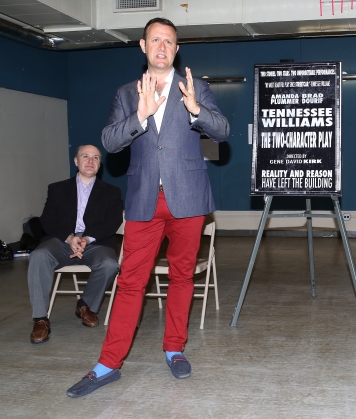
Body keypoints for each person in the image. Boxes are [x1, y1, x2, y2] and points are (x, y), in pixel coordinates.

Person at [66, 17, 229, 397]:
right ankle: (108, 364)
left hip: (188, 199)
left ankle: (174, 348)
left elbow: (221, 130)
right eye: (155, 39)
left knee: (182, 276)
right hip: (143, 201)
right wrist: (140, 114)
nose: (161, 46)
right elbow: (110, 141)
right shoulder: (127, 93)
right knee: (130, 281)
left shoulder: (196, 87)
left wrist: (196, 109)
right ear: (143, 46)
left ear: (176, 49)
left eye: (169, 41)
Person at [28, 145, 122, 343]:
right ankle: (40, 319)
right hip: (62, 240)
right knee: (38, 256)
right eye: (85, 156)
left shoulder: (111, 192)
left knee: (110, 264)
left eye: (95, 157)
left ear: (100, 163)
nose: (90, 161)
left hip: (95, 242)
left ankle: (85, 305)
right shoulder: (57, 188)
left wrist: (87, 239)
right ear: (76, 161)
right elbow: (48, 219)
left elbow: (113, 222)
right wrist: (70, 238)